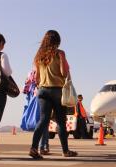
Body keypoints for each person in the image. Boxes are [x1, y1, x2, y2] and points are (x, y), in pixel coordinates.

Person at [30, 30, 77, 159]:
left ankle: (33, 148)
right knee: (61, 121)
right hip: (57, 90)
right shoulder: (59, 53)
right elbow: (63, 72)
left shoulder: (39, 56)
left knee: (43, 120)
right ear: (58, 41)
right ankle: (65, 151)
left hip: (43, 90)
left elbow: (37, 78)